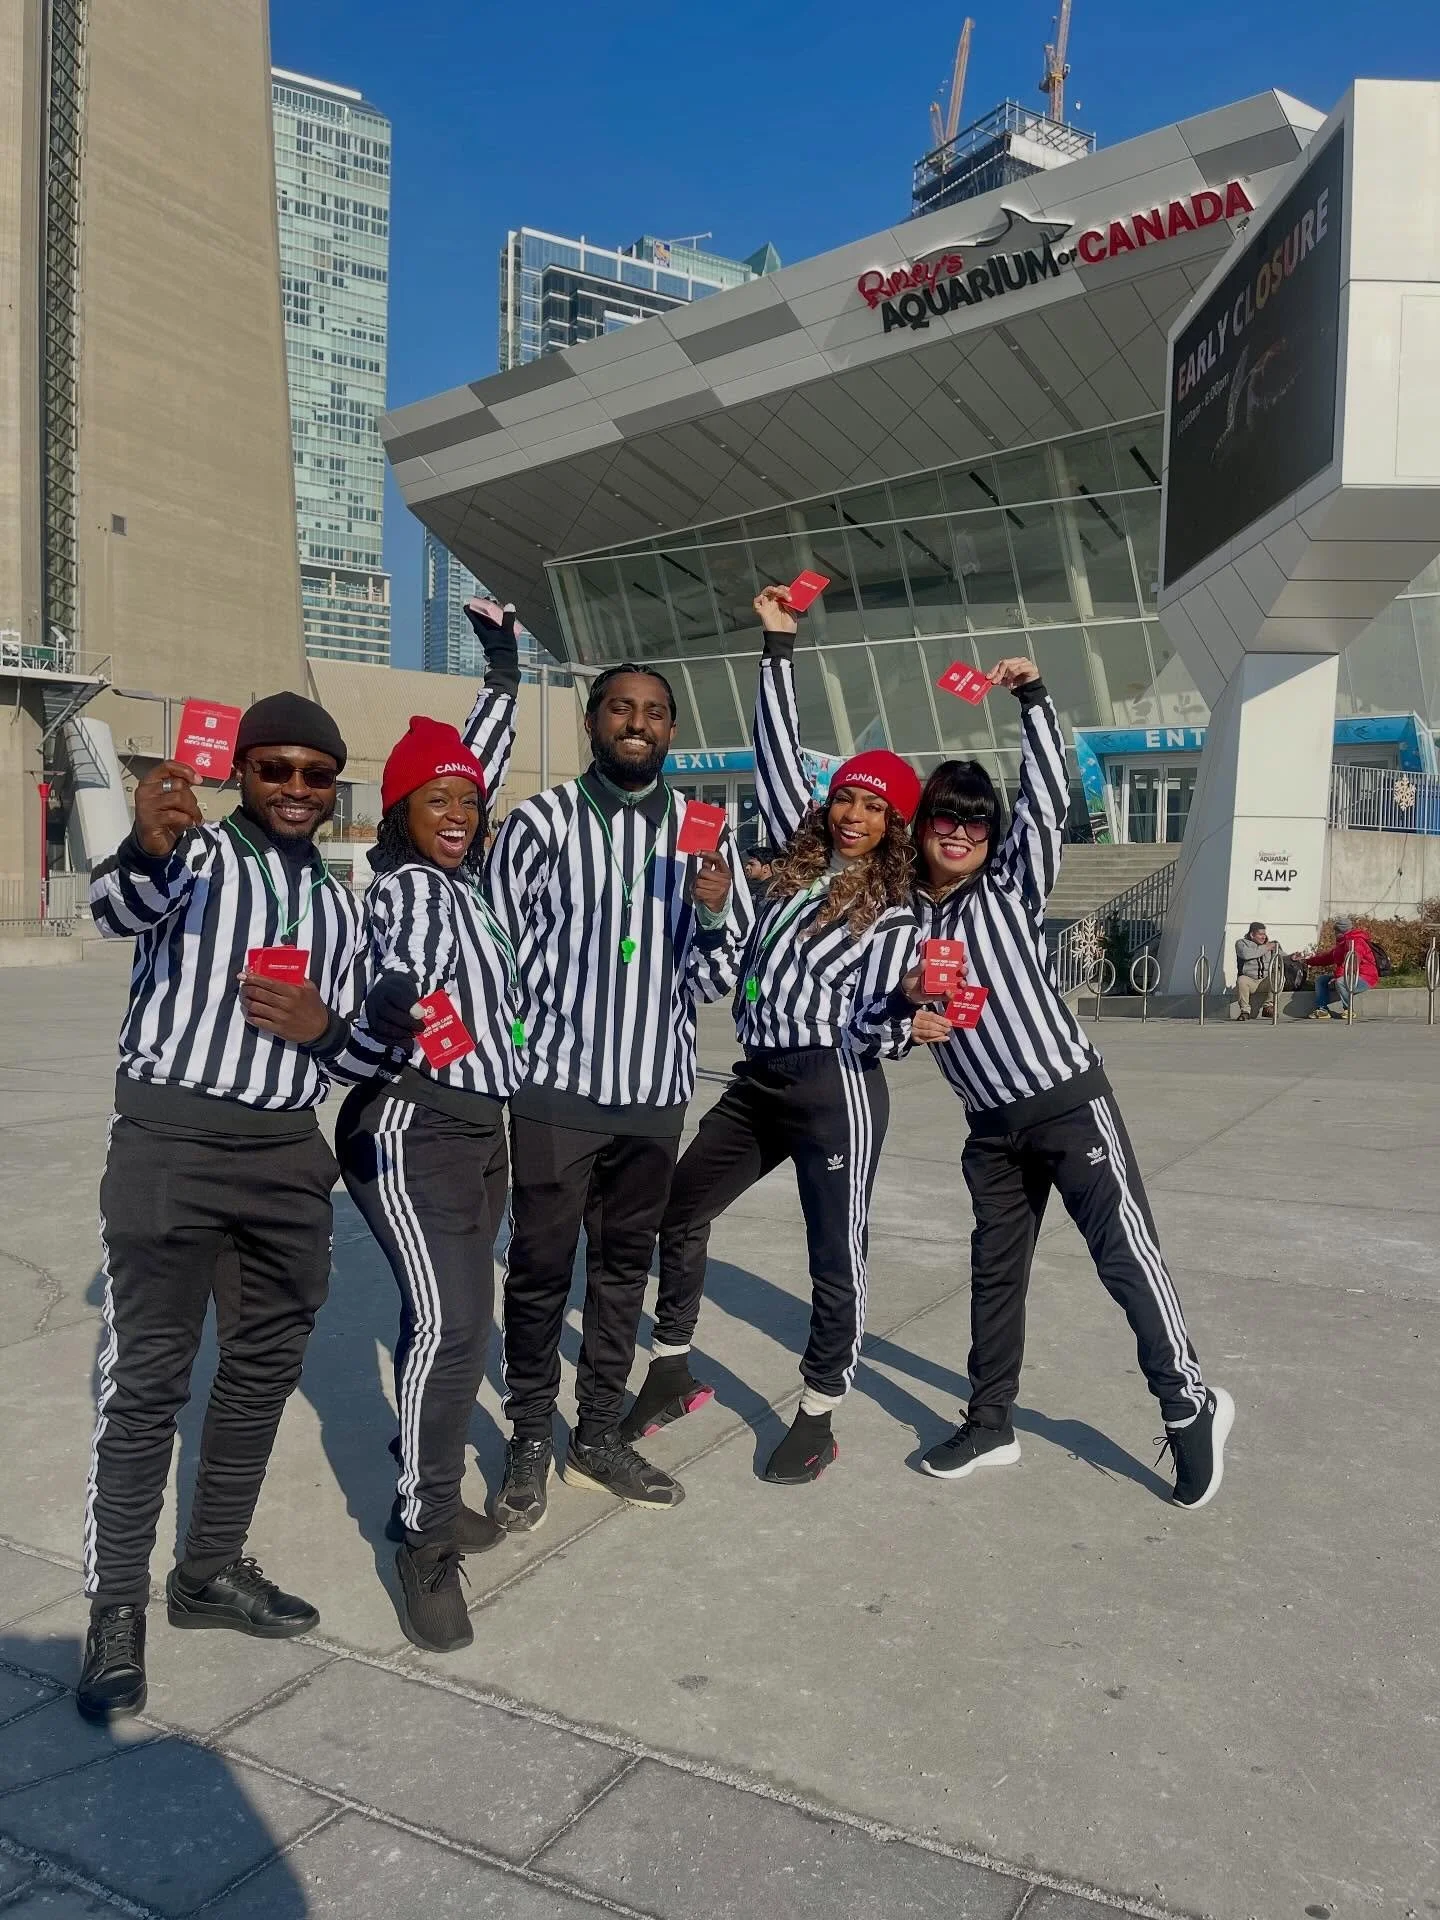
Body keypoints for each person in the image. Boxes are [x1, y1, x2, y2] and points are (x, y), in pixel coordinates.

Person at [78, 693, 365, 1723]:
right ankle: (116, 1608)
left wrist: (326, 1023)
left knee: (260, 1370)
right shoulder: (193, 856)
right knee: (148, 1381)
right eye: (275, 769)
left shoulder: (338, 903)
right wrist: (148, 846)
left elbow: (359, 1048)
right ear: (241, 772)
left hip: (289, 1154)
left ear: (335, 787)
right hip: (174, 1143)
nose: (295, 789)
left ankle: (207, 1573)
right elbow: (113, 913)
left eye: (315, 774)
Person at [904, 660, 1232, 1510]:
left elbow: (1048, 799)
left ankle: (1188, 1401)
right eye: (947, 819)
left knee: (1125, 1259)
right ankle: (990, 1421)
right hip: (989, 1128)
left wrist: (1035, 700)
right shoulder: (903, 916)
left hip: (1065, 1102)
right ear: (924, 824)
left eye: (976, 825)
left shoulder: (1010, 886)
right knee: (993, 1275)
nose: (960, 836)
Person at [625, 587, 925, 1485]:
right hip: (758, 1081)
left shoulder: (897, 915)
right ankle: (673, 1366)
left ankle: (821, 1408)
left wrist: (909, 1012)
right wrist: (778, 646)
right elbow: (776, 756)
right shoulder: (790, 877)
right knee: (678, 1211)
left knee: (834, 1253)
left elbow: (883, 1029)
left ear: (893, 824)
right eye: (845, 802)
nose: (852, 816)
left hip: (834, 1090)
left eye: (872, 809)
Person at [484, 662, 752, 1530]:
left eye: (655, 713)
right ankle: (529, 1432)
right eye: (622, 709)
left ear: (672, 731)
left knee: (621, 1275)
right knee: (537, 1271)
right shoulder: (540, 824)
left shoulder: (702, 829)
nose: (638, 723)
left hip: (651, 1095)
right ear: (594, 721)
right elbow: (497, 954)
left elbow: (715, 978)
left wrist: (712, 912)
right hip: (556, 1092)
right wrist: (520, 1060)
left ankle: (595, 1434)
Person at [328, 603, 525, 1654]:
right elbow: (387, 973)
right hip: (410, 1127)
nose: (455, 811)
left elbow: (470, 761)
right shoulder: (400, 892)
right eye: (434, 801)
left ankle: (433, 1490)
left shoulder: (475, 886)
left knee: (439, 1320)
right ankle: (420, 1536)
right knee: (455, 1326)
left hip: (481, 1130)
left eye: (466, 803)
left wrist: (500, 666)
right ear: (399, 812)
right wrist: (391, 1002)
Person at [1305, 914, 1379, 1019]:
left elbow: (1351, 963)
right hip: (1347, 974)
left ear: (1341, 931)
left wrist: (1337, 977)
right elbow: (1328, 958)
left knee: (1341, 982)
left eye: (1336, 931)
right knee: (1321, 980)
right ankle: (1323, 1009)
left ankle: (1348, 1010)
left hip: (1365, 977)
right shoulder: (1342, 943)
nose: (1334, 933)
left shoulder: (1356, 942)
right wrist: (1307, 962)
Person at [1233, 922, 1281, 1020]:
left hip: (1266, 981)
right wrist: (1266, 947)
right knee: (1241, 980)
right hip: (1251, 981)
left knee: (1279, 975)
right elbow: (1246, 954)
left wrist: (1292, 957)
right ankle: (1245, 1011)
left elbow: (1281, 956)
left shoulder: (1271, 945)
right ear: (1252, 935)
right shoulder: (1241, 943)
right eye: (1260, 934)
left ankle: (1268, 1007)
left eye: (1264, 934)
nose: (1263, 937)